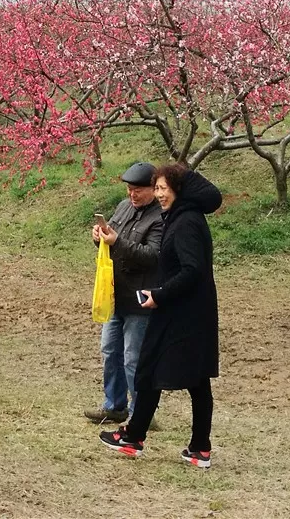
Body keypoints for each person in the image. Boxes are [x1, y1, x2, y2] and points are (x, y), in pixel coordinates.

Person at [99, 162, 222, 467]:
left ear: (178, 189)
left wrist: (159, 294)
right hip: (178, 309)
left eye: (163, 189)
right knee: (153, 371)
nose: (158, 194)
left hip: (186, 313)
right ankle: (136, 438)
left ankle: (195, 447)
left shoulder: (187, 222)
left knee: (191, 379)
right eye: (156, 188)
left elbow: (193, 271)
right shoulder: (178, 217)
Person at [84, 161, 164, 424]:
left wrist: (117, 241)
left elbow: (153, 256)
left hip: (140, 299)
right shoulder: (123, 207)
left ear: (153, 189)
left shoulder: (160, 218)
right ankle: (114, 405)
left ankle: (141, 413)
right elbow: (110, 242)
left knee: (133, 358)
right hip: (113, 294)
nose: (132, 194)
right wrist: (99, 237)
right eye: (129, 189)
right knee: (110, 351)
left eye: (138, 190)